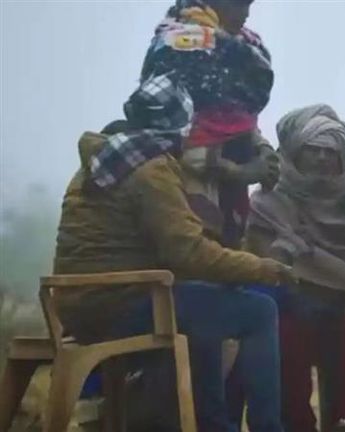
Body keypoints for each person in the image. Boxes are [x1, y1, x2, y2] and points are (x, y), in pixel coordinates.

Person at [54, 75, 294, 432]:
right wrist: (264, 268)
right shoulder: (152, 168)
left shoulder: (101, 162)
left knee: (204, 311)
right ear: (180, 126)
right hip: (120, 307)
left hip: (76, 306)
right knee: (259, 310)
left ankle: (212, 425)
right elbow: (188, 253)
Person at [245, 105, 345, 432]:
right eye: (312, 150)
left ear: (343, 158)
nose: (321, 158)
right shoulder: (268, 200)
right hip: (294, 302)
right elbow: (268, 266)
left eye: (329, 152)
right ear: (295, 153)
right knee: (283, 330)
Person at [141, 0, 277, 247]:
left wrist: (263, 151)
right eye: (237, 5)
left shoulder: (247, 47)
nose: (245, 14)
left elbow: (239, 115)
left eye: (248, 4)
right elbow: (162, 136)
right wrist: (239, 172)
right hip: (184, 189)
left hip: (231, 194)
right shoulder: (179, 45)